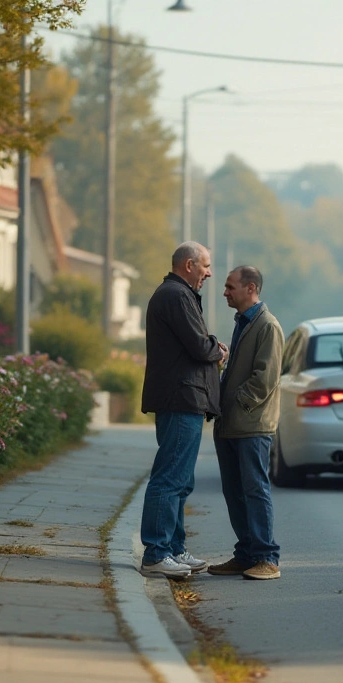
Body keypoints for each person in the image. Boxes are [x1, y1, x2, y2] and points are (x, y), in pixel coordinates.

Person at [139, 242, 227, 579]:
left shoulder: (178, 294)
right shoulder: (175, 295)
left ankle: (174, 548)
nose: (209, 273)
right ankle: (157, 553)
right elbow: (198, 345)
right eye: (205, 266)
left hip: (185, 399)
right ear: (189, 265)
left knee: (181, 480)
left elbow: (195, 342)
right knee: (170, 477)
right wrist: (216, 348)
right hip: (180, 398)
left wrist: (210, 346)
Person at [207, 266, 284, 581]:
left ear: (250, 288)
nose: (225, 292)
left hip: (251, 425)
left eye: (230, 287)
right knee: (234, 491)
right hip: (231, 425)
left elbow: (264, 380)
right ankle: (245, 555)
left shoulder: (267, 326)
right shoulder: (244, 323)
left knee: (254, 490)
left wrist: (233, 402)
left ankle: (266, 557)